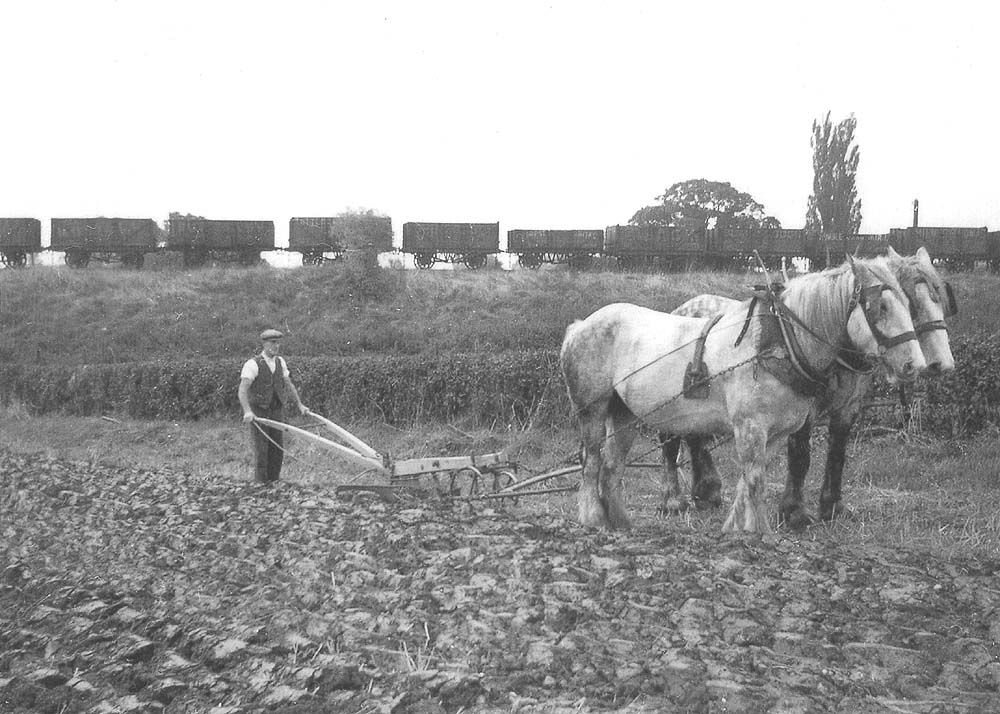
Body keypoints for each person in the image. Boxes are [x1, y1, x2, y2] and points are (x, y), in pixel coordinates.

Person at [238, 329, 308, 483]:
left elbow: (288, 384)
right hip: (259, 411)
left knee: (277, 448)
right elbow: (242, 390)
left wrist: (300, 405)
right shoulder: (253, 364)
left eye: (278, 343)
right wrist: (247, 412)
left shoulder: (280, 362)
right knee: (262, 449)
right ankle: (261, 484)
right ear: (264, 344)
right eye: (272, 343)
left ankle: (274, 482)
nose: (276, 346)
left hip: (276, 409)